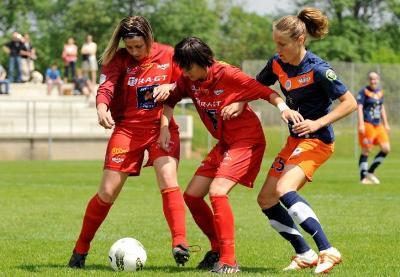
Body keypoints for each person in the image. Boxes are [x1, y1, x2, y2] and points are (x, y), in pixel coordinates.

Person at [154, 36, 302, 274]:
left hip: (247, 141)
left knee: (217, 192)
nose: (186, 73)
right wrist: (163, 128)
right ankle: (216, 249)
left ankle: (229, 260)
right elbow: (169, 102)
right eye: (183, 68)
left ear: (202, 61)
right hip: (225, 143)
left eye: (189, 67)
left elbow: (267, 93)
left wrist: (284, 109)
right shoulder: (188, 79)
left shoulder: (228, 74)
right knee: (192, 196)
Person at [68, 16, 192, 269]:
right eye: (130, 47)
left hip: (162, 128)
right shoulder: (119, 59)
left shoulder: (169, 54)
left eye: (139, 46)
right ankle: (80, 249)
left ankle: (180, 243)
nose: (134, 52)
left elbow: (189, 81)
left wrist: (171, 85)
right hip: (127, 130)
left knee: (168, 179)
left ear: (149, 38)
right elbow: (106, 87)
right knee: (107, 192)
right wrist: (102, 108)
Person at [255, 7, 357, 274]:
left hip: (319, 141)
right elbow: (258, 86)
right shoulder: (277, 63)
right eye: (275, 43)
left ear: (300, 40)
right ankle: (305, 254)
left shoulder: (319, 69)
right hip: (294, 141)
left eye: (282, 44)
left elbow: (350, 103)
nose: (278, 49)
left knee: (284, 189)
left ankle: (328, 250)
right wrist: (279, 104)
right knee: (266, 199)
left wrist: (318, 122)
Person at [357, 72, 390, 184]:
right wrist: (361, 124)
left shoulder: (380, 92)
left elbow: (382, 108)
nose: (373, 81)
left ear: (378, 79)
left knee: (386, 148)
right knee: (366, 150)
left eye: (375, 79)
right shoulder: (364, 92)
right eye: (371, 79)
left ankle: (370, 171)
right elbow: (360, 108)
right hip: (367, 124)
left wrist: (386, 123)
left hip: (378, 125)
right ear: (368, 80)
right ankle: (363, 178)